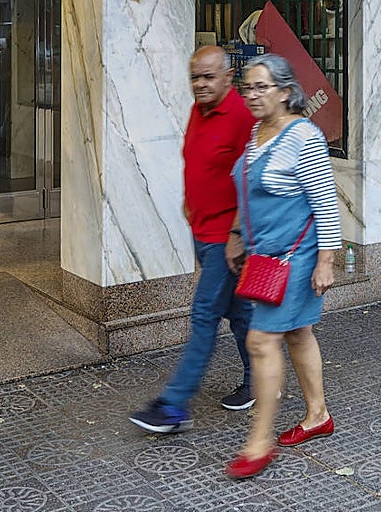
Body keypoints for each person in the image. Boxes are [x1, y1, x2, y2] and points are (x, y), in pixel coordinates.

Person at [223, 53, 341, 480]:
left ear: (286, 92)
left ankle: (259, 441)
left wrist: (326, 262)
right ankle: (318, 415)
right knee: (297, 332)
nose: (251, 95)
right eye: (247, 88)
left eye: (261, 87)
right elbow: (249, 193)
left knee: (260, 340)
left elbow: (325, 204)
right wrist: (237, 235)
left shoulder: (302, 136)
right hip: (263, 255)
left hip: (296, 257)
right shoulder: (257, 132)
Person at [129, 45, 257, 434]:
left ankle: (173, 405)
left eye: (208, 77)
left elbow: (250, 181)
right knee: (237, 313)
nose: (200, 84)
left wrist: (236, 234)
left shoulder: (241, 116)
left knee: (204, 315)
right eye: (195, 77)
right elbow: (198, 160)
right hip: (202, 231)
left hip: (225, 237)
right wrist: (190, 201)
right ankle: (260, 378)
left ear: (228, 77)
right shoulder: (198, 110)